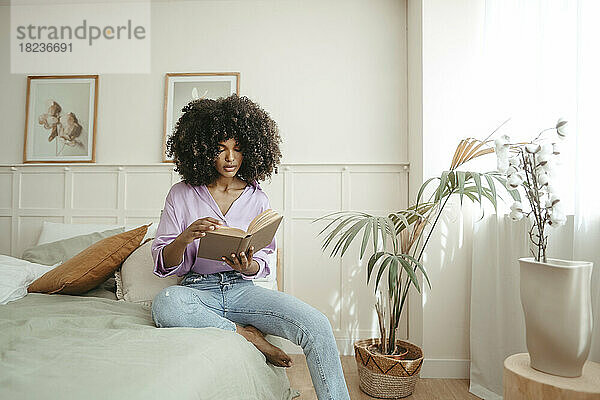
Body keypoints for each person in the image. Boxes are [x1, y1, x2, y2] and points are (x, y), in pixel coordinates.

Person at [150, 94, 351, 400]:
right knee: (165, 303)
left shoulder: (257, 198)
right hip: (196, 291)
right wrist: (184, 238)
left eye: (238, 149)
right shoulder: (181, 194)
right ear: (202, 151)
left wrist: (249, 266)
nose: (230, 158)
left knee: (318, 325)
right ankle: (246, 335)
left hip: (242, 289)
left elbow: (265, 258)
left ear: (251, 150)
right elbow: (164, 261)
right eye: (221, 150)